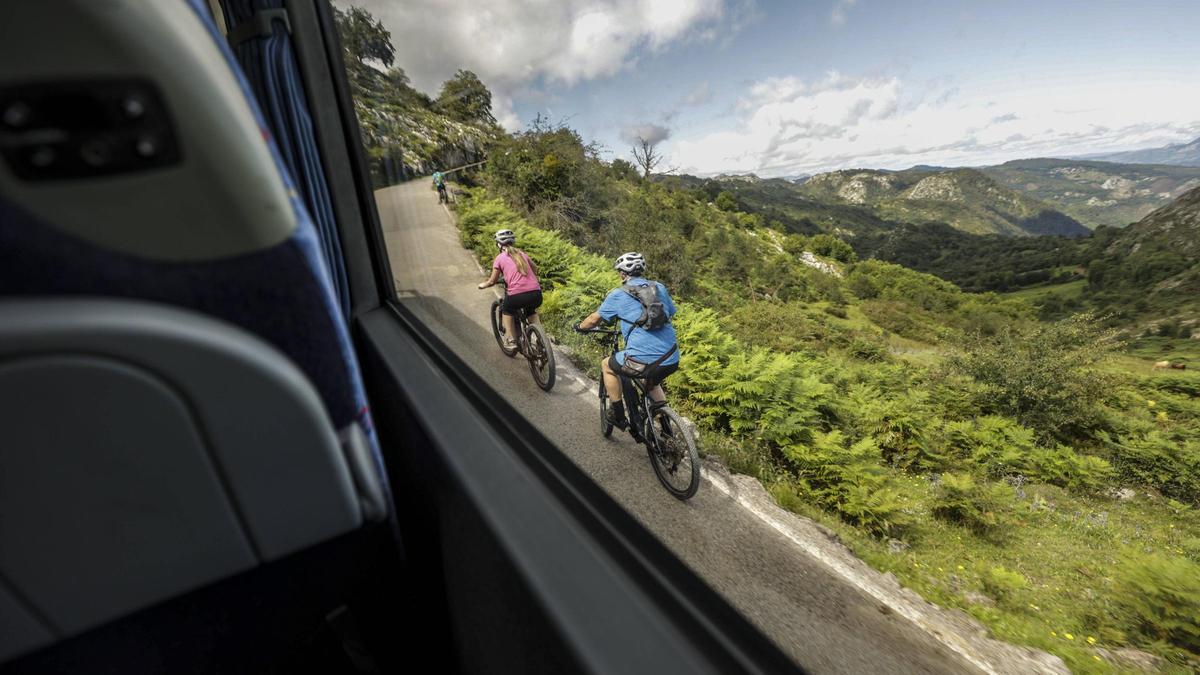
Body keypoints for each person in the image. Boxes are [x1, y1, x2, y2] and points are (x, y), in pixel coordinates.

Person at [575, 252, 678, 429]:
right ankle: (666, 425)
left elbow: (594, 320)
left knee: (607, 365)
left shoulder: (617, 294)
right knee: (652, 382)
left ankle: (618, 415)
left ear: (623, 274)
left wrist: (580, 327)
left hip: (641, 361)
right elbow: (671, 312)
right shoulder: (659, 287)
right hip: (671, 358)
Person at [477, 229, 542, 349]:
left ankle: (510, 339)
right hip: (536, 294)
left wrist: (483, 285)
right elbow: (535, 268)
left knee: (507, 308)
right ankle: (542, 340)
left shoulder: (500, 258)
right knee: (531, 311)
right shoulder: (522, 254)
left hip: (517, 296)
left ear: (498, 244)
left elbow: (492, 281)